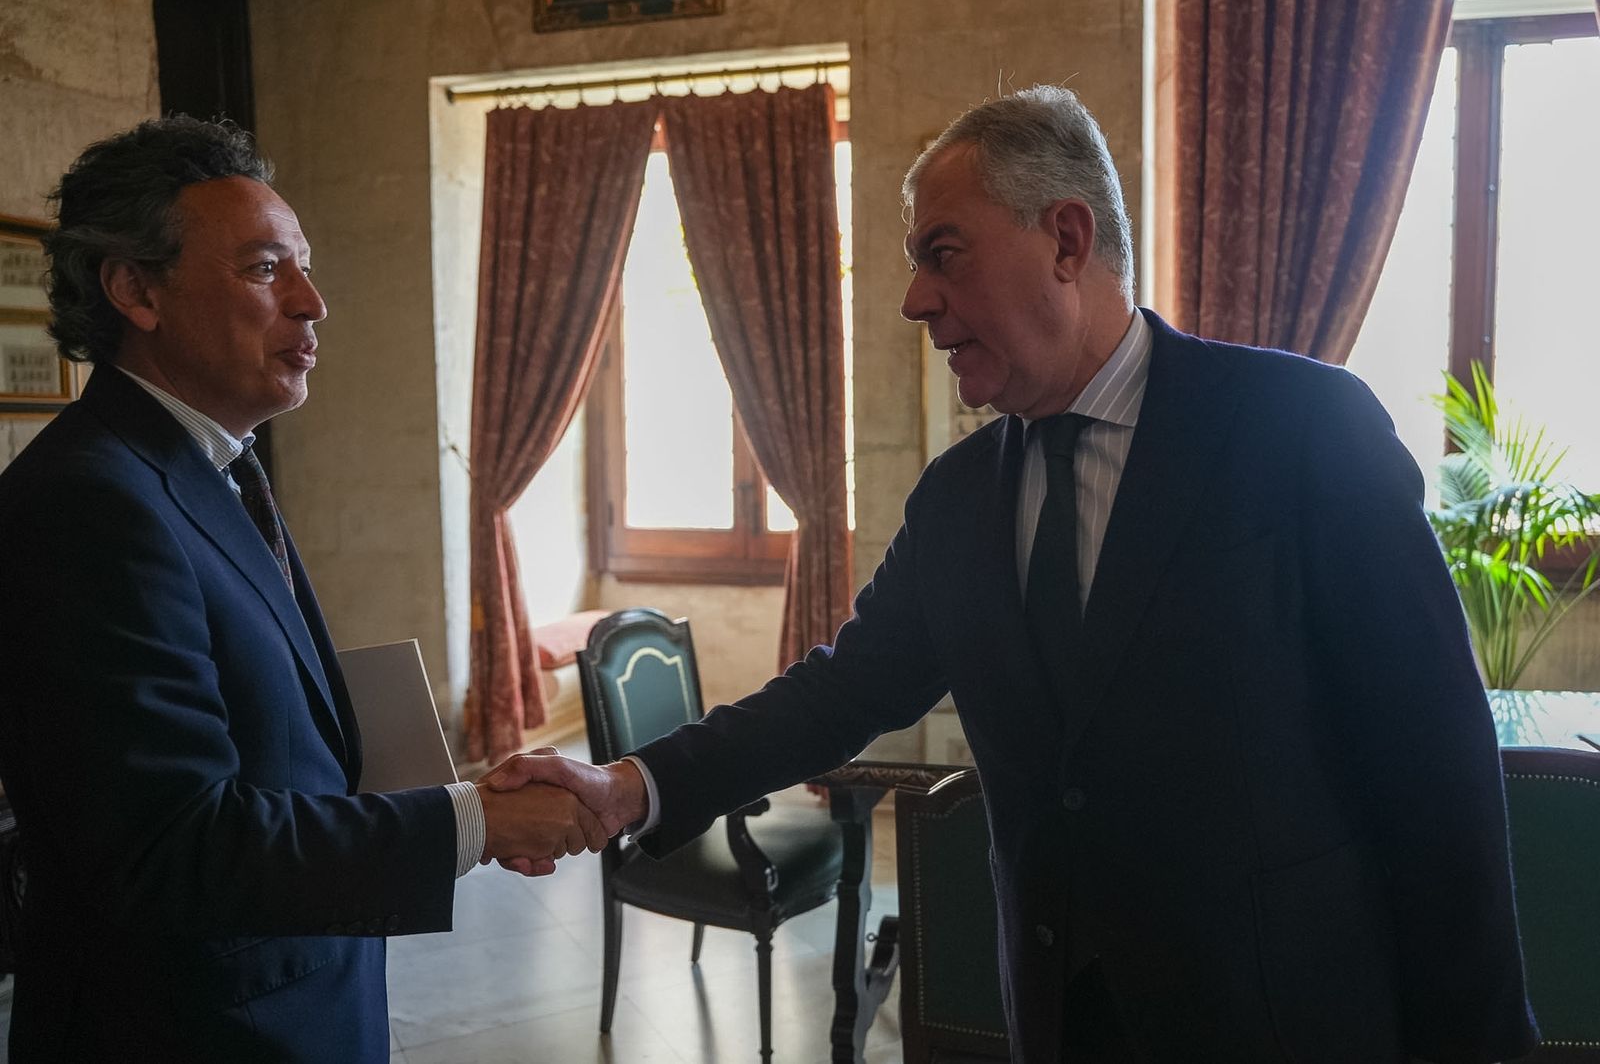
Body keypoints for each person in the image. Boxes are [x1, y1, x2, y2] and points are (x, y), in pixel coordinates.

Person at [491, 86, 1539, 1063]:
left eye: (944, 255)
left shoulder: (1302, 429)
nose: (914, 300)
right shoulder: (958, 502)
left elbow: (1434, 770)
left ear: (1067, 241)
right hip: (1061, 1016)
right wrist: (628, 784)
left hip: (1284, 1019)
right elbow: (840, 691)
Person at [0, 116, 605, 1062]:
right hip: (193, 1029)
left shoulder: (211, 465)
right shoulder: (88, 502)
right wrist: (472, 822)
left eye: (305, 266)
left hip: (296, 997)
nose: (314, 302)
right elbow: (173, 844)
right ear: (136, 290)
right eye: (264, 269)